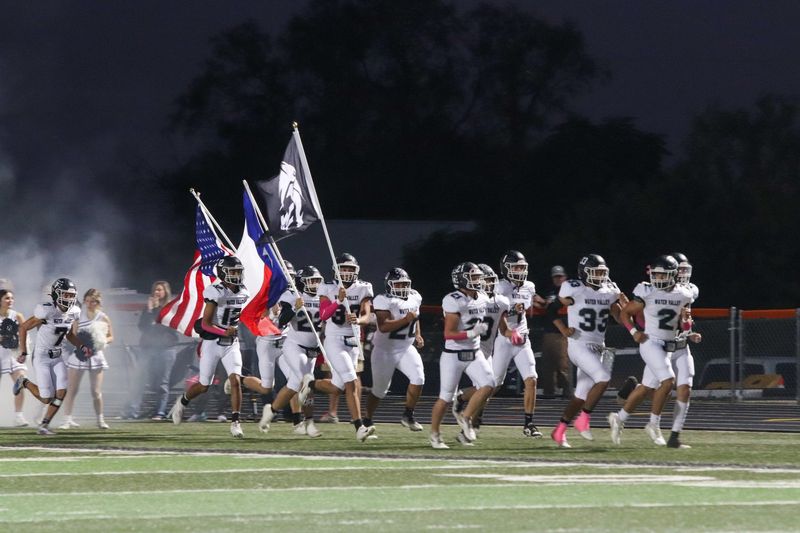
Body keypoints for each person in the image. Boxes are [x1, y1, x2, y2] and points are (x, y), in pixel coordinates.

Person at [611, 253, 702, 449]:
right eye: (656, 274)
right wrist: (634, 331)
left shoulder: (684, 294)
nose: (658, 278)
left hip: (671, 345)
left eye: (663, 275)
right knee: (668, 381)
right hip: (651, 342)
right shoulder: (647, 291)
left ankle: (619, 418)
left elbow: (684, 324)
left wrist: (688, 329)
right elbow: (626, 312)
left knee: (648, 387)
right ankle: (653, 424)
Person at [168, 256, 249, 438]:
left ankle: (235, 422)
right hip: (213, 342)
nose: (237, 275)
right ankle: (183, 401)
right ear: (223, 273)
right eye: (233, 271)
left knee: (235, 380)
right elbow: (205, 323)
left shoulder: (244, 291)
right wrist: (224, 331)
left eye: (238, 271)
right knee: (204, 385)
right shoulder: (215, 291)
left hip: (231, 343)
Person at [549, 254, 623, 448]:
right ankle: (583, 419)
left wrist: (623, 304)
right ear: (584, 273)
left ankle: (559, 431)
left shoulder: (609, 291)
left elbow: (619, 317)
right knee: (603, 378)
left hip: (598, 346)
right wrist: (563, 329)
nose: (600, 276)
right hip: (579, 344)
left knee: (581, 396)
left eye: (602, 272)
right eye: (595, 272)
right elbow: (551, 310)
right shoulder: (575, 289)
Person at [14, 278, 93, 435]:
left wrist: (82, 346)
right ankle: (24, 382)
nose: (69, 299)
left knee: (62, 392)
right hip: (42, 357)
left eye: (72, 296)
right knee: (46, 398)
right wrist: (23, 351)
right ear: (56, 294)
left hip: (58, 356)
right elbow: (23, 327)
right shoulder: (46, 310)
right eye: (66, 295)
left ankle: (44, 425)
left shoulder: (74, 312)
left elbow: (69, 335)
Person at [429, 262, 494, 449]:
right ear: (462, 280)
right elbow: (448, 333)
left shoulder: (482, 297)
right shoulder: (454, 300)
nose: (478, 280)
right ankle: (434, 434)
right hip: (454, 354)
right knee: (445, 398)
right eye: (474, 277)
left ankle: (466, 418)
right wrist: (472, 333)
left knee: (489, 384)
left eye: (478, 277)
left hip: (474, 352)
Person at [315, 253, 375, 442]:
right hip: (334, 340)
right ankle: (359, 427)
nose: (347, 272)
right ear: (336, 270)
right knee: (351, 381)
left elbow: (367, 315)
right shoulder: (327, 287)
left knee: (337, 386)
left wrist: (359, 320)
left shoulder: (363, 288)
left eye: (350, 268)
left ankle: (308, 384)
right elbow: (323, 315)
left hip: (353, 342)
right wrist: (339, 301)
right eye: (343, 268)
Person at [259, 265, 324, 438]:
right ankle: (307, 421)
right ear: (302, 282)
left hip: (312, 350)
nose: (315, 285)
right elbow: (281, 321)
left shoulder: (323, 297)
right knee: (307, 381)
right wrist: (295, 307)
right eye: (311, 281)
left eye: (317, 281)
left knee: (294, 386)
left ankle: (271, 411)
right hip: (295, 346)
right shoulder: (292, 295)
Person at [363, 267, 426, 435]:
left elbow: (415, 318)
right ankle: (367, 419)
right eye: (398, 285)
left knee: (419, 378)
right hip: (384, 350)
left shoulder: (415, 296)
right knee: (380, 390)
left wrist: (418, 334)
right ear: (389, 285)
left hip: (405, 348)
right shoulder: (383, 300)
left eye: (404, 284)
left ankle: (408, 415)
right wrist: (405, 319)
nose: (402, 287)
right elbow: (383, 326)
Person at [493, 250, 546, 438]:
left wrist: (546, 302)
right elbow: (495, 314)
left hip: (522, 339)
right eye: (516, 268)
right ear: (506, 269)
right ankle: (468, 406)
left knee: (531, 379)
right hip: (504, 339)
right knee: (493, 384)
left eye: (522, 267)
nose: (520, 271)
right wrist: (511, 311)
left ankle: (529, 423)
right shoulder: (500, 287)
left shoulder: (528, 287)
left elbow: (535, 301)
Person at [452, 263, 506, 435]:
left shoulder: (500, 301)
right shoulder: (470, 302)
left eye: (491, 280)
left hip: (487, 349)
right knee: (486, 386)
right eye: (485, 280)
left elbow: (503, 327)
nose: (489, 284)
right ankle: (469, 425)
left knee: (490, 387)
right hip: (472, 349)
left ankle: (461, 399)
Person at [59, 289, 114, 430]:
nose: (89, 304)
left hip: (96, 356)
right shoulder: (78, 317)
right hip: (79, 355)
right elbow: (72, 335)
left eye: (93, 301)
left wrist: (101, 341)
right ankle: (67, 420)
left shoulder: (103, 317)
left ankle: (100, 420)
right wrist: (81, 344)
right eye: (87, 301)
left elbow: (111, 337)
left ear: (98, 302)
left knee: (95, 391)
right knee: (72, 389)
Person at [125, 280, 180, 420]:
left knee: (162, 382)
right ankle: (132, 411)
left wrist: (155, 320)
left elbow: (169, 327)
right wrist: (150, 310)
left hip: (166, 349)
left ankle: (159, 412)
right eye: (155, 290)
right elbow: (143, 327)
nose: (156, 292)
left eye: (160, 290)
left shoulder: (171, 308)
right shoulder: (148, 308)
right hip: (148, 348)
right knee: (139, 379)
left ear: (165, 292)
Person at [539, 265, 573, 398]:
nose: (558, 279)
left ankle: (567, 391)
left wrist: (546, 303)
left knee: (562, 364)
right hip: (548, 331)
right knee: (547, 363)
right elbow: (546, 307)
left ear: (565, 277)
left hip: (562, 332)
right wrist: (541, 302)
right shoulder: (550, 291)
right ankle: (549, 392)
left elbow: (561, 307)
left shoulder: (569, 291)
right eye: (555, 277)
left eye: (560, 276)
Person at [0, 289, 29, 427]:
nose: (10, 300)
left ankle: (19, 416)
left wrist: (23, 352)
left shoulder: (17, 315)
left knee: (20, 382)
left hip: (13, 353)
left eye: (11, 298)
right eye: (7, 298)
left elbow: (25, 335)